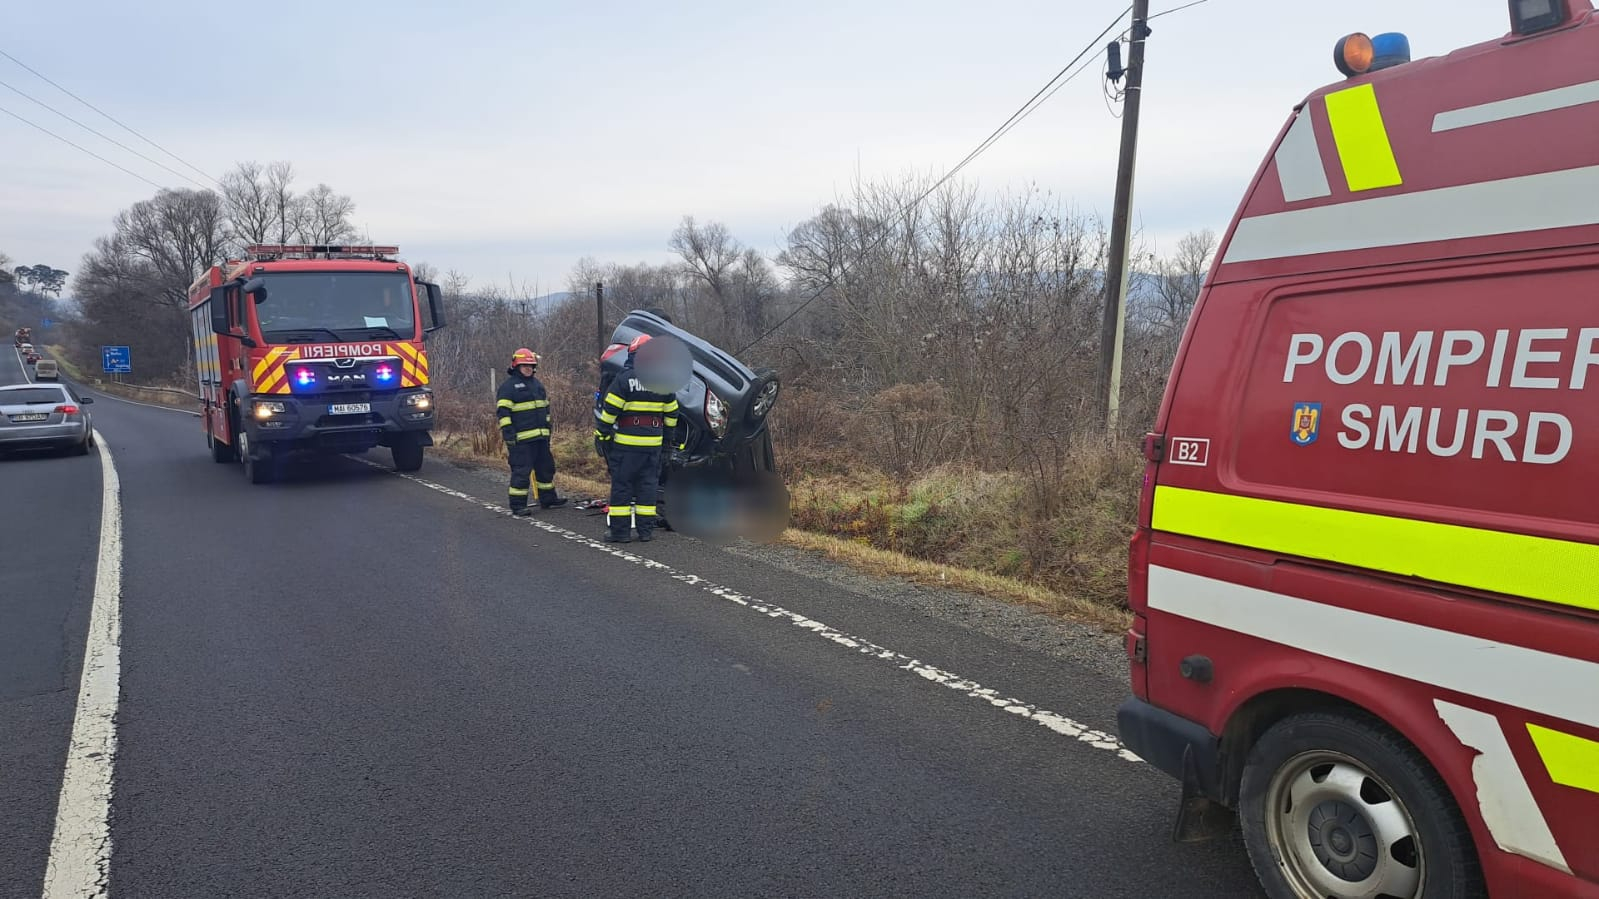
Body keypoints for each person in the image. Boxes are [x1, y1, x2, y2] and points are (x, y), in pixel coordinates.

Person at [594, 334, 679, 542]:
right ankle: (645, 531)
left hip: (626, 446)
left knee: (622, 487)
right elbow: (672, 415)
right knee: (647, 487)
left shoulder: (624, 380)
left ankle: (620, 532)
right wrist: (668, 445)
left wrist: (602, 436)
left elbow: (609, 411)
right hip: (653, 446)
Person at [496, 348, 566, 516]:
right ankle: (518, 504)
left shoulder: (537, 385)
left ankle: (547, 498)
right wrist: (509, 434)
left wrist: (548, 429)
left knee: (546, 468)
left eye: (531, 365)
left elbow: (545, 409)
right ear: (516, 366)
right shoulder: (508, 387)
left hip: (540, 438)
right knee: (521, 472)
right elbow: (503, 413)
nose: (528, 368)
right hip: (521, 440)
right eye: (524, 365)